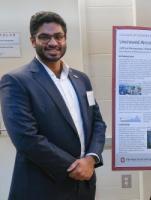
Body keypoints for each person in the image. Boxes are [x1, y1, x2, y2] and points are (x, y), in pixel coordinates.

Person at [0, 11, 106, 200]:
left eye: (58, 36)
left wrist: (91, 158)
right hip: (42, 187)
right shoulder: (16, 81)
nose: (53, 43)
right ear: (33, 41)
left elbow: (97, 122)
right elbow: (26, 138)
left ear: (65, 38)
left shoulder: (81, 79)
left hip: (84, 187)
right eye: (44, 37)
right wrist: (75, 167)